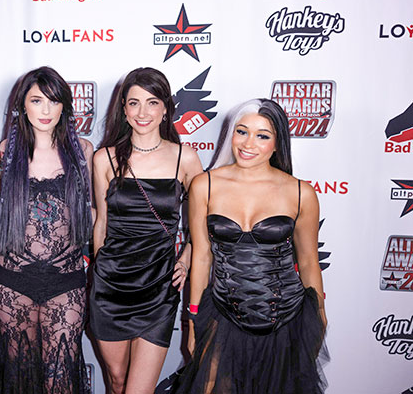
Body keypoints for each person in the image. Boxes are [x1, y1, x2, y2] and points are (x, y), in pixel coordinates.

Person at [173, 99, 328, 394]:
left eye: (262, 136)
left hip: (286, 319)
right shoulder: (204, 185)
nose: (248, 144)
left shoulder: (301, 193)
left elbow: (309, 262)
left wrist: (319, 314)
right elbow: (202, 257)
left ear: (278, 143)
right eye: (242, 131)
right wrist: (193, 318)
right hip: (222, 314)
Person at [89, 67, 203, 394]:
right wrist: (99, 272)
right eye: (134, 103)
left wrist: (185, 260)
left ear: (166, 108)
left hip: (159, 287)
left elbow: (202, 225)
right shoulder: (104, 158)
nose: (143, 113)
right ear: (123, 109)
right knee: (116, 382)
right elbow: (102, 222)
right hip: (110, 287)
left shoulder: (185, 158)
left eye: (152, 103)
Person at [0, 66, 93, 394]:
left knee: (59, 381)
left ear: (65, 106)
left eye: (54, 101)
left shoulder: (83, 152)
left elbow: (95, 214)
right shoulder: (4, 152)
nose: (46, 110)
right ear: (23, 105)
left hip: (65, 283)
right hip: (13, 282)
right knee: (20, 381)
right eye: (37, 100)